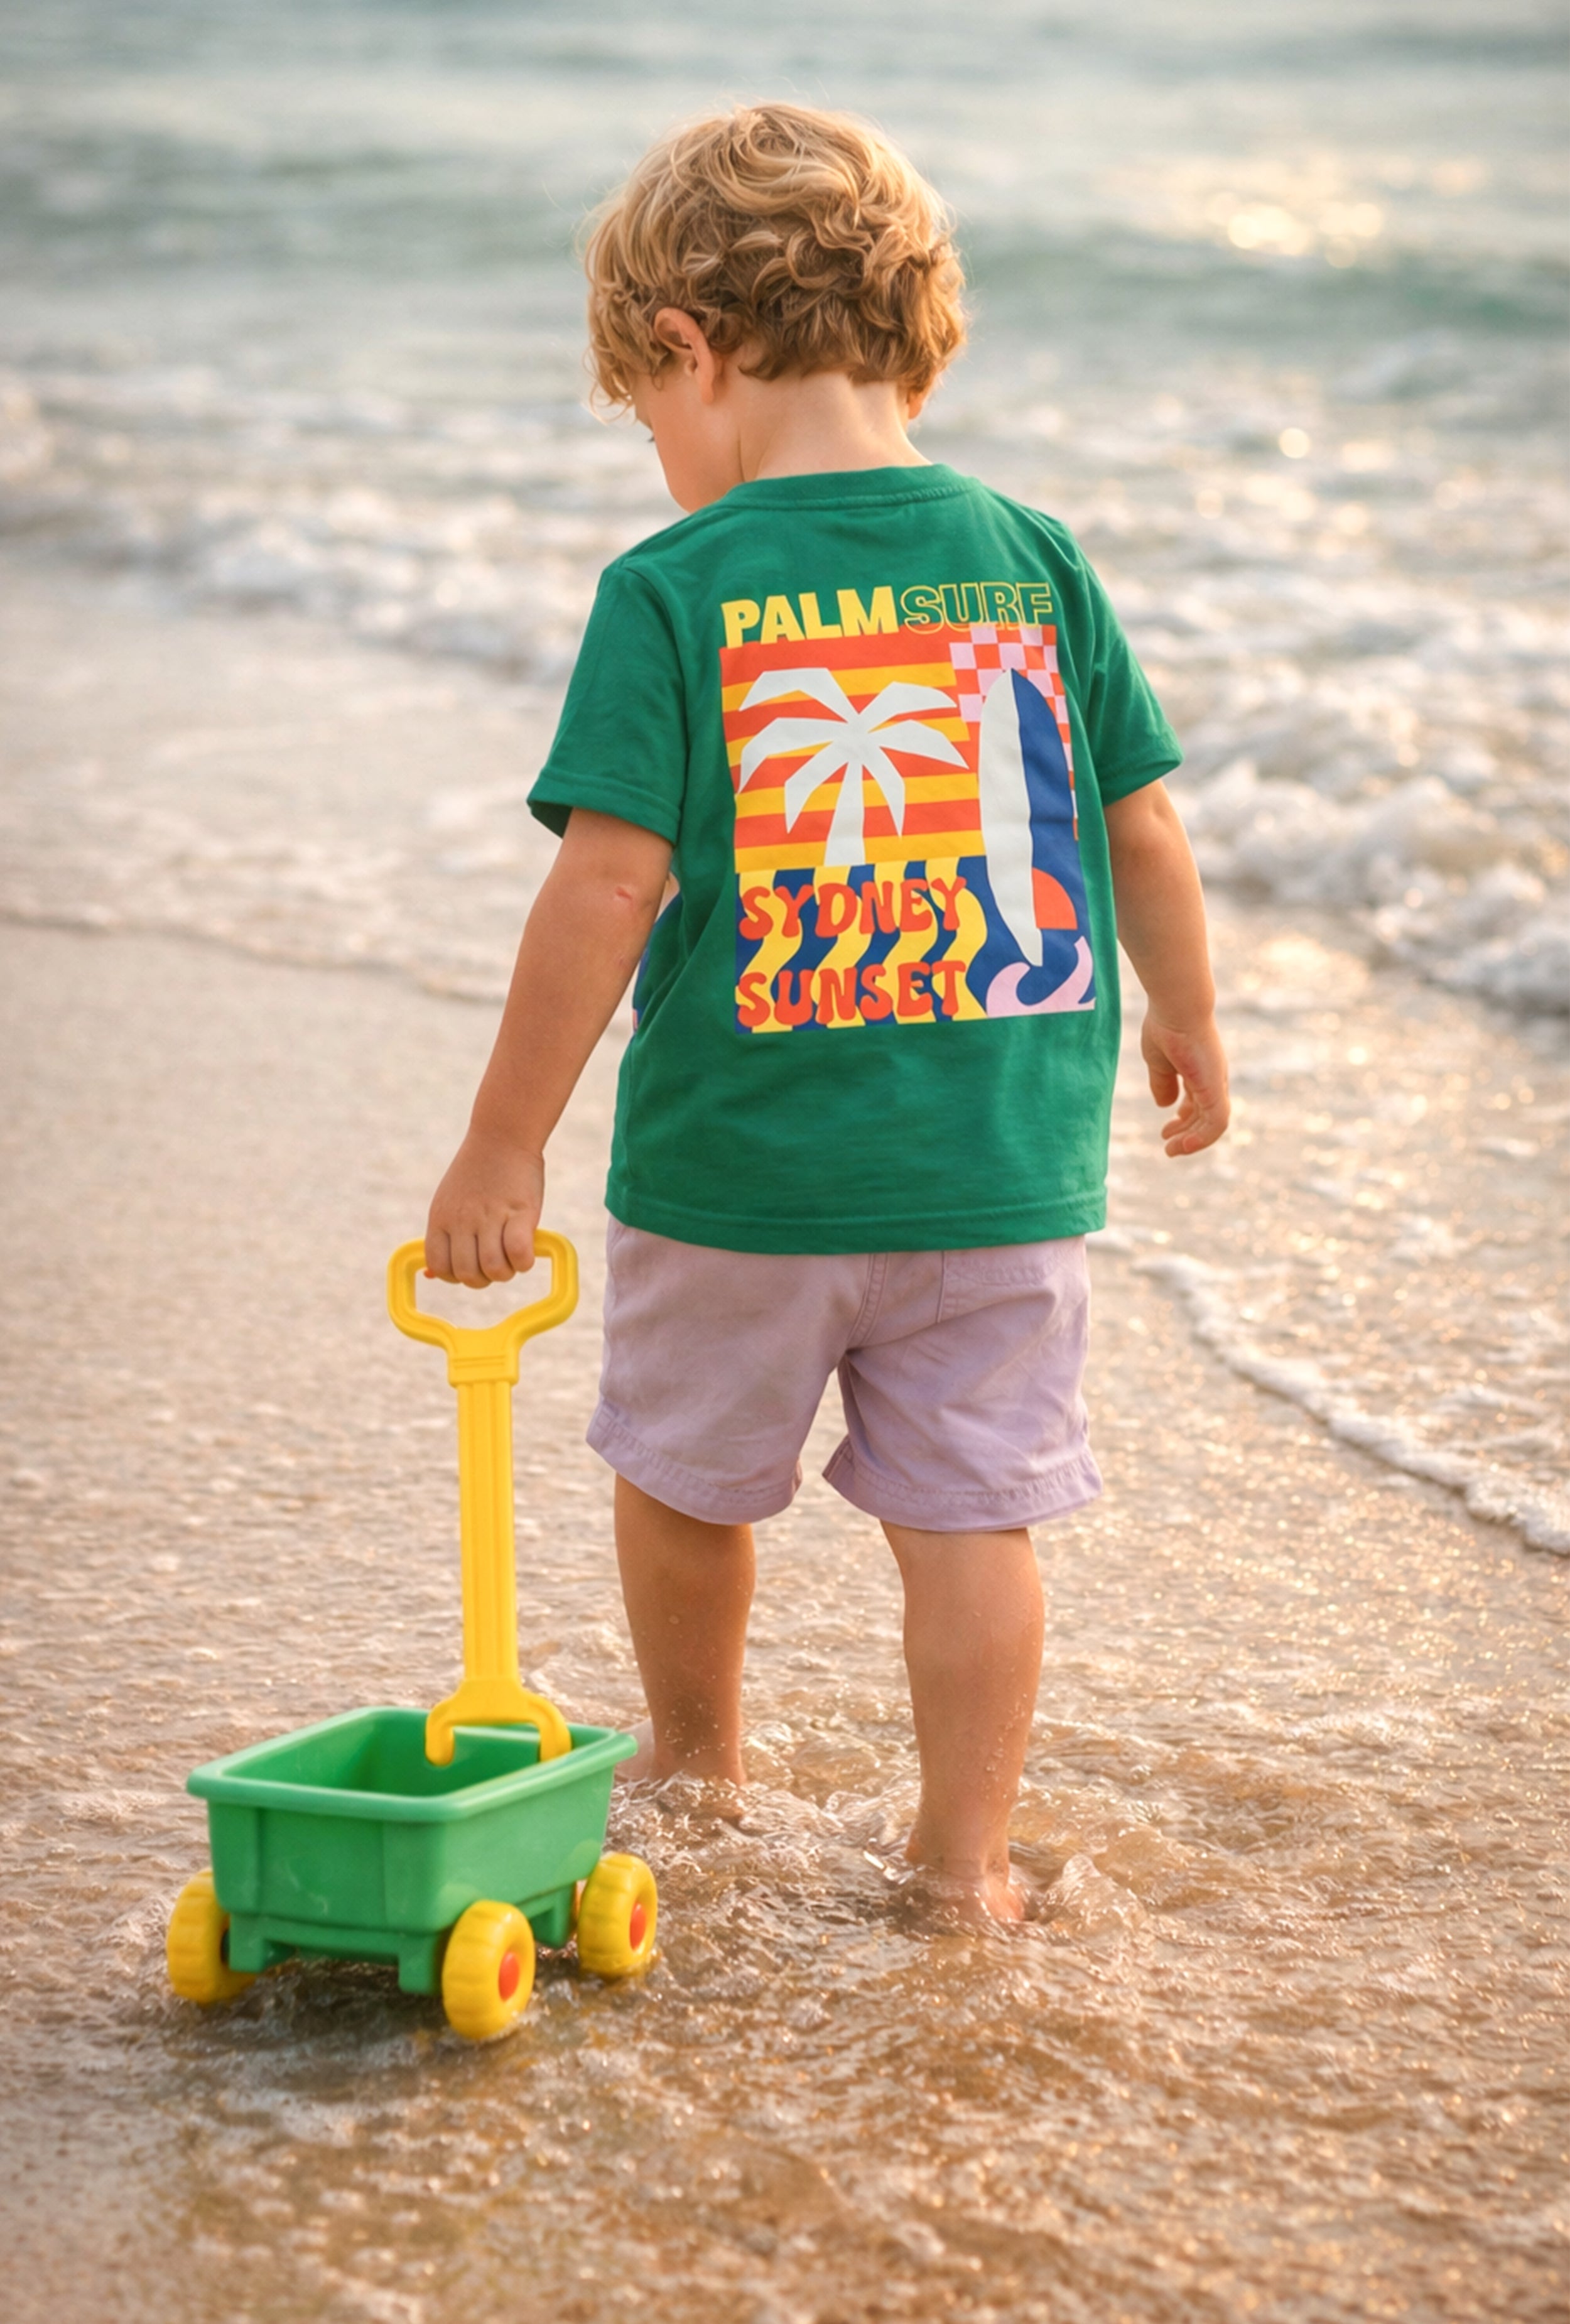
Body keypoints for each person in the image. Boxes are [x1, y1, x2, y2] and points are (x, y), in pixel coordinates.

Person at [423, 103, 1229, 1921]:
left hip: (739, 1185)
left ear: (683, 348)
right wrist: (1185, 1012)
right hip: (1002, 1173)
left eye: (644, 413)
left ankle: (697, 1757)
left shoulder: (675, 589)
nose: (655, 453)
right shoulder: (1030, 552)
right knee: (970, 1523)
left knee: (686, 1484)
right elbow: (1140, 822)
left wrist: (503, 1138)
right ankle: (963, 1865)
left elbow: (605, 887)